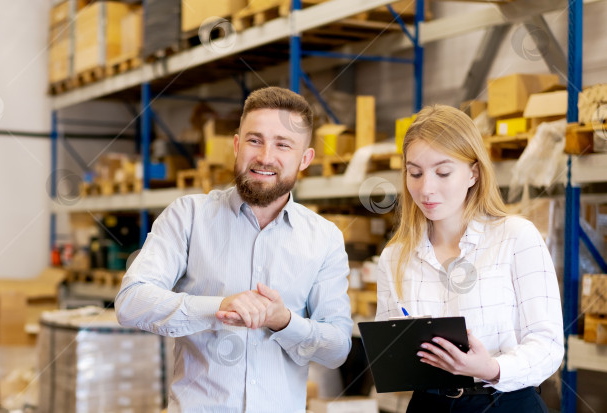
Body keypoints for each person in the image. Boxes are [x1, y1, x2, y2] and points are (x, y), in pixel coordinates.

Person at [115, 86, 353, 413]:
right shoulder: (188, 216)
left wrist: (284, 321)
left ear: (305, 159)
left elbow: (337, 348)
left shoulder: (324, 238)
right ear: (237, 145)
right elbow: (131, 302)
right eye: (255, 140)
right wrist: (218, 307)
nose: (266, 157)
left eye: (283, 145)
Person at [375, 104, 564, 412]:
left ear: (473, 173)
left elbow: (548, 345)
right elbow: (391, 352)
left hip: (504, 403)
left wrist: (489, 368)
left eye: (443, 172)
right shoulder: (395, 257)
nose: (426, 188)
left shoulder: (516, 237)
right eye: (415, 173)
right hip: (428, 405)